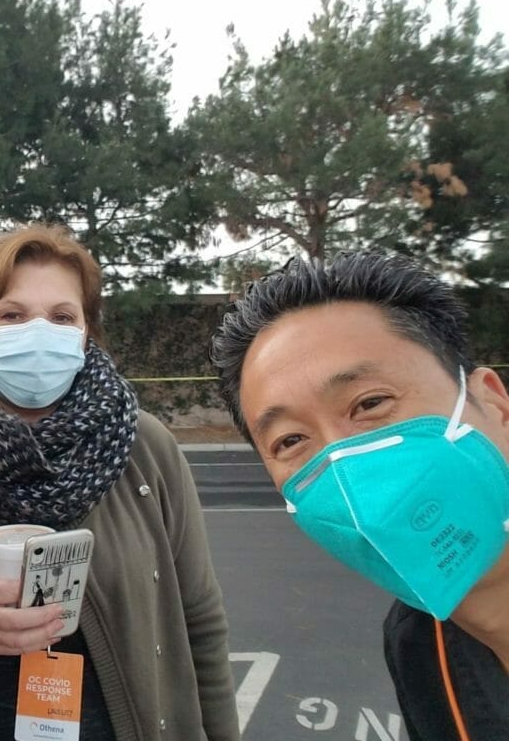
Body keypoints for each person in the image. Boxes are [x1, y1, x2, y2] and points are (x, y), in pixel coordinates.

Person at [0, 223, 241, 740]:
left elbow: (200, 621)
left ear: (84, 333)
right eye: (12, 314)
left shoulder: (146, 447)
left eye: (61, 317)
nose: (38, 331)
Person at [210, 250, 509, 741]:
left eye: (370, 403)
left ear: (494, 403)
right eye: (290, 441)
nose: (344, 466)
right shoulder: (418, 643)